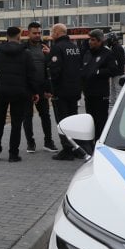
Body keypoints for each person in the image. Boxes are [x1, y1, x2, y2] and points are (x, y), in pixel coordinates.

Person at [0, 25, 39, 162]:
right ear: (19, 36)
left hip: (1, 90)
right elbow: (31, 74)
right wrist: (35, 91)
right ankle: (13, 154)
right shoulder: (26, 53)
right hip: (19, 91)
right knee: (16, 123)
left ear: (6, 37)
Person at [48, 23, 83, 161]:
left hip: (61, 91)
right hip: (74, 90)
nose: (51, 34)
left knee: (62, 121)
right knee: (73, 119)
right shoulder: (75, 47)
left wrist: (52, 89)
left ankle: (67, 149)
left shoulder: (57, 48)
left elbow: (55, 71)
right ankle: (76, 147)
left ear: (57, 32)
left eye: (52, 31)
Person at [21, 21, 57, 153]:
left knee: (45, 115)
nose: (37, 35)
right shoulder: (23, 48)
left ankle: (48, 142)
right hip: (27, 88)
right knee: (27, 116)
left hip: (42, 88)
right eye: (34, 33)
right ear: (28, 33)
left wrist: (49, 89)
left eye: (39, 33)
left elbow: (50, 69)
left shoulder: (45, 47)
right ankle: (31, 143)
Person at [80, 29, 118, 140]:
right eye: (89, 40)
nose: (90, 42)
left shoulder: (107, 53)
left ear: (100, 41)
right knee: (90, 120)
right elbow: (84, 70)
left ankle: (101, 141)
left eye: (93, 40)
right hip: (88, 93)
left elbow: (113, 70)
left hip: (101, 94)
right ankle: (91, 142)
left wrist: (98, 72)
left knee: (101, 120)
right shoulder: (87, 53)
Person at [106, 32, 125, 108]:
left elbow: (117, 61)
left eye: (109, 40)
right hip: (115, 71)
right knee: (113, 87)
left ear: (113, 40)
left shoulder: (117, 48)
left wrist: (114, 69)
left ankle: (118, 102)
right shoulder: (115, 47)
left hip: (117, 72)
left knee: (117, 87)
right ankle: (113, 101)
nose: (108, 42)